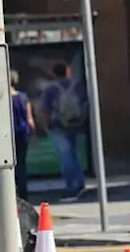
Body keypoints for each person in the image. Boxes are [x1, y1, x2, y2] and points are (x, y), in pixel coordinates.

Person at [39, 62, 89, 201]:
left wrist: (45, 127)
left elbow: (44, 110)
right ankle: (79, 183)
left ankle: (70, 187)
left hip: (58, 126)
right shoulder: (78, 86)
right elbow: (85, 104)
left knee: (65, 156)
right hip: (77, 125)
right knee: (75, 155)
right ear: (68, 72)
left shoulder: (50, 89)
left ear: (53, 73)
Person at [10, 70, 36, 200]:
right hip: (22, 133)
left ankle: (11, 192)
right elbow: (29, 118)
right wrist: (34, 132)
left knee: (9, 166)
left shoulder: (2, 99)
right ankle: (23, 192)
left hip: (8, 135)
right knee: (21, 164)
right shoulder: (23, 97)